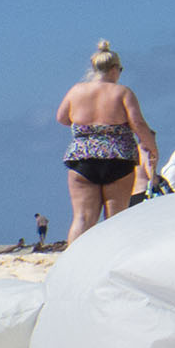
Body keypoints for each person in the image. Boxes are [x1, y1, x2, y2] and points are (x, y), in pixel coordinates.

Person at [55, 40, 159, 243]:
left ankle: (74, 264)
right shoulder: (122, 92)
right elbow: (137, 123)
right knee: (115, 219)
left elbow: (62, 118)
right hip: (118, 159)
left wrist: (87, 128)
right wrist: (152, 149)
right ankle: (108, 263)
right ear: (113, 69)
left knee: (82, 219)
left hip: (82, 158)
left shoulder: (76, 90)